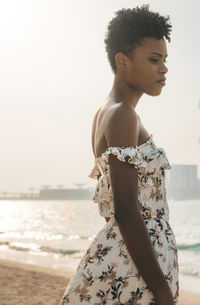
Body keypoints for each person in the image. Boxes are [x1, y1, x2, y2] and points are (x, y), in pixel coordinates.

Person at [59, 4, 179, 305]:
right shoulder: (122, 115)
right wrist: (163, 293)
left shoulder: (105, 112)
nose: (163, 68)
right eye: (154, 59)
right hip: (133, 270)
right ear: (122, 61)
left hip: (126, 261)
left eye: (164, 60)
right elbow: (126, 211)